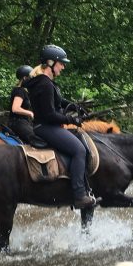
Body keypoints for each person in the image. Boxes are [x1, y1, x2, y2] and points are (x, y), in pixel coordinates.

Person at [23, 45, 96, 210]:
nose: (63, 66)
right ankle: (79, 195)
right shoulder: (45, 84)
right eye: (61, 63)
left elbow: (57, 101)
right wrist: (72, 119)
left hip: (45, 125)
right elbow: (49, 114)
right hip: (46, 127)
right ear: (50, 63)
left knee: (79, 139)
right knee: (79, 150)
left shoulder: (45, 82)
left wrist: (74, 106)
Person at [7, 64, 36, 144]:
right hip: (18, 123)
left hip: (23, 122)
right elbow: (15, 108)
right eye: (31, 77)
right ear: (24, 78)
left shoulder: (25, 91)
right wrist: (29, 113)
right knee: (37, 140)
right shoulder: (20, 91)